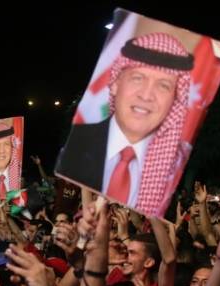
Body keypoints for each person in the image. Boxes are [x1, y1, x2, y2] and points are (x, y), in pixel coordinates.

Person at [56, 32, 194, 216]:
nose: (146, 95)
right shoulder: (77, 146)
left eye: (163, 85)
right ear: (115, 83)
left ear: (175, 100)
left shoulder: (172, 167)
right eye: (138, 78)